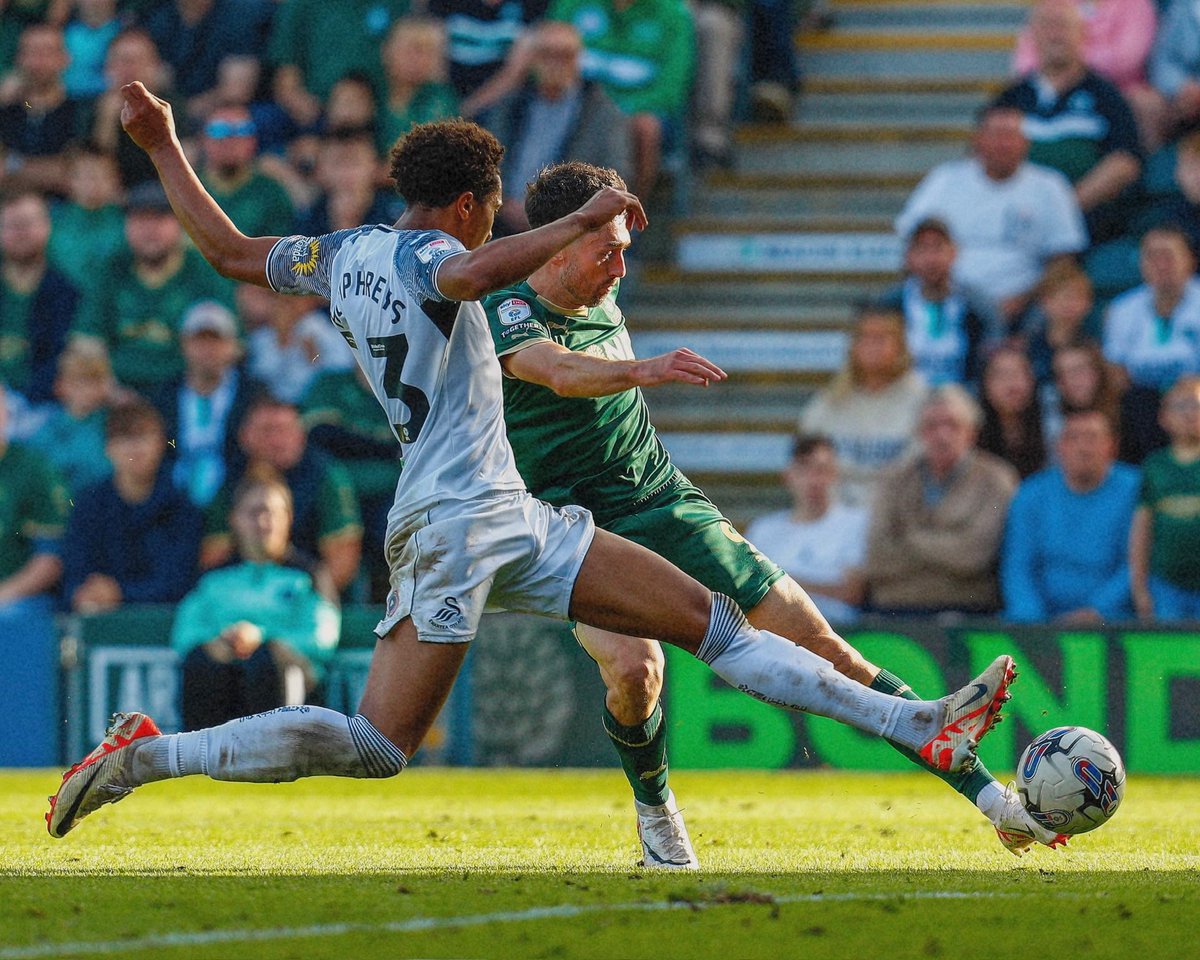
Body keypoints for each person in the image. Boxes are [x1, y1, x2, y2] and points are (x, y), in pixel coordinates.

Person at [48, 89, 1022, 861]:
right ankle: (911, 720)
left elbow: (224, 252)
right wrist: (578, 220)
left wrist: (163, 143)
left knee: (382, 745)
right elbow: (463, 275)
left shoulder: (336, 254)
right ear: (470, 204)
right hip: (476, 512)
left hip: (454, 520)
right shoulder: (441, 252)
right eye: (488, 216)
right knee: (709, 626)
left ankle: (148, 756)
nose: (485, 233)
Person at [485, 161, 1053, 860]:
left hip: (660, 501)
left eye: (626, 253)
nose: (620, 271)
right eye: (607, 252)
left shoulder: (598, 281)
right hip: (574, 526)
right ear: (554, 243)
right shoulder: (508, 308)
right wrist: (645, 369)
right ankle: (657, 813)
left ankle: (994, 801)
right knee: (634, 673)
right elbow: (558, 371)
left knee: (822, 643)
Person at [895, 104, 1088, 331]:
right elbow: (912, 239)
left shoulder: (1050, 186)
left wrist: (1022, 299)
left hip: (1026, 304)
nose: (1003, 144)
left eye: (1011, 136)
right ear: (978, 140)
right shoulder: (945, 180)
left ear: (1026, 142)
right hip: (950, 297)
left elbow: (1063, 257)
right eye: (996, 135)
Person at [173, 470, 340, 731]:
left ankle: (280, 751)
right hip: (227, 674)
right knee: (201, 662)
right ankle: (202, 756)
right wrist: (221, 642)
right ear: (234, 519)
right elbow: (185, 633)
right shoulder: (213, 578)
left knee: (267, 660)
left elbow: (322, 638)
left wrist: (260, 638)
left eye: (272, 512)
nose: (263, 522)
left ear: (288, 518)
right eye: (253, 512)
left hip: (290, 682)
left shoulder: (310, 574)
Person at [993, 0, 1142, 241]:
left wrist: (1063, 206)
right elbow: (982, 158)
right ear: (1031, 36)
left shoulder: (1106, 96)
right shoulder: (1011, 98)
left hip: (1084, 224)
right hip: (1012, 222)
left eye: (1063, 26)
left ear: (1082, 35)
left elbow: (1125, 162)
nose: (1055, 35)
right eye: (1047, 26)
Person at [865, 385, 1019, 616]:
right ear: (920, 432)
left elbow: (974, 555)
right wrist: (945, 546)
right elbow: (877, 555)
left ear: (971, 432)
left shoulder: (996, 479)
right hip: (894, 608)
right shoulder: (894, 477)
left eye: (952, 425)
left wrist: (909, 537)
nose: (942, 435)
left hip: (967, 609)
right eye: (932, 426)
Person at [71, 180, 235, 393]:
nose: (149, 229)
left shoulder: (203, 272)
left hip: (186, 393)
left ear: (180, 223)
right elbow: (86, 341)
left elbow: (231, 345)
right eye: (140, 219)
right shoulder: (112, 268)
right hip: (119, 394)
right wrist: (110, 389)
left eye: (159, 218)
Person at [200, 396, 363, 594]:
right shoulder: (231, 480)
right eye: (267, 431)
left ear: (301, 435)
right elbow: (214, 558)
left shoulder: (326, 476)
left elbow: (342, 560)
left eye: (285, 431)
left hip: (303, 594)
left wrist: (300, 602)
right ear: (245, 436)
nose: (277, 441)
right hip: (240, 595)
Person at [487, 20, 630, 235]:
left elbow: (617, 176)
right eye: (547, 54)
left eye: (565, 55)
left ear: (578, 60)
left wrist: (559, 213)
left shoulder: (602, 113)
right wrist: (504, 203)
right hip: (502, 223)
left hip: (570, 230)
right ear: (533, 59)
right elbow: (488, 164)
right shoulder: (509, 107)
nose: (556, 63)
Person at [61, 398, 202, 614]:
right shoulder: (88, 505)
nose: (135, 448)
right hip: (98, 618)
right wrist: (86, 593)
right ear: (108, 447)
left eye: (143, 436)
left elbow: (177, 583)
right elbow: (75, 575)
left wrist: (120, 593)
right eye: (124, 438)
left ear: (161, 443)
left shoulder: (182, 508)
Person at [1002, 408, 1140, 622]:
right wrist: (1031, 620)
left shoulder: (1136, 490)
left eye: (1092, 438)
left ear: (1111, 446)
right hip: (1039, 621)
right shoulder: (1031, 493)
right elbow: (1018, 565)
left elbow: (1136, 564)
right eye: (1073, 438)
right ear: (1059, 447)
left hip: (1112, 620)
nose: (1083, 447)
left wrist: (1096, 611)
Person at [548, 0, 694, 199]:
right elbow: (545, 57)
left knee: (646, 127)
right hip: (573, 104)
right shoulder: (571, 4)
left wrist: (619, 109)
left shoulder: (673, 13)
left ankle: (629, 216)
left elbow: (671, 89)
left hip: (636, 109)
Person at [797, 306, 929, 509]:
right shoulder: (830, 399)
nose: (871, 346)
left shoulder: (922, 399)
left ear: (900, 345)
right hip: (836, 513)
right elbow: (807, 461)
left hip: (898, 512)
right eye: (864, 338)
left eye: (881, 338)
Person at [0, 381, 69, 766]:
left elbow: (49, 562)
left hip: (19, 600)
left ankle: (18, 751)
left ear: (8, 415)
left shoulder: (32, 467)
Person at [743, 434, 868, 625]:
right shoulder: (763, 530)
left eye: (821, 470)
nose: (814, 480)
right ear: (788, 476)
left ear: (835, 474)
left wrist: (779, 582)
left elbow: (851, 593)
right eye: (804, 470)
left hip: (835, 632)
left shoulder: (857, 523)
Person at [152, 300, 262, 508]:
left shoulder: (253, 394)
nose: (208, 350)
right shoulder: (164, 395)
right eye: (199, 340)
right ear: (184, 344)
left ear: (234, 346)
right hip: (172, 498)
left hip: (235, 496)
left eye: (216, 341)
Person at [876, 217, 989, 386]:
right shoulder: (890, 305)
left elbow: (990, 358)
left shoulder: (977, 306)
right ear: (909, 257)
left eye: (938, 248)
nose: (931, 259)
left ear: (954, 252)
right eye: (922, 249)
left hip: (963, 400)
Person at [1129, 375, 1200, 621]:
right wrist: (1139, 589)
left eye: (1196, 405)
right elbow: (1142, 529)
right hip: (1166, 585)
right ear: (1163, 417)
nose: (1189, 414)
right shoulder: (1155, 466)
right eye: (1181, 406)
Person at [0, 189, 80, 404]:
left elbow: (61, 358)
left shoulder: (66, 291)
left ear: (47, 225)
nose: (20, 233)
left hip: (43, 407)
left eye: (27, 223)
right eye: (11, 225)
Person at [1103, 225, 1200, 394]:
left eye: (1168, 256)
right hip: (1141, 402)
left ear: (1190, 260)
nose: (1161, 265)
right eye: (1152, 257)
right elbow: (1115, 369)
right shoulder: (1122, 309)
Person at [28, 338, 113, 496]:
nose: (85, 390)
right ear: (60, 385)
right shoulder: (47, 428)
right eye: (77, 383)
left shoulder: (113, 422)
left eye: (93, 382)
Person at [197, 105, 295, 240]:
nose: (230, 140)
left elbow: (278, 252)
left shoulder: (272, 193)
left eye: (241, 130)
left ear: (253, 140)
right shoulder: (185, 189)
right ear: (203, 139)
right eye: (218, 130)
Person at [977, 345, 1047, 479]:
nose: (1011, 383)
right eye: (1002, 375)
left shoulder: (1051, 429)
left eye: (1018, 374)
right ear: (985, 384)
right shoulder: (970, 433)